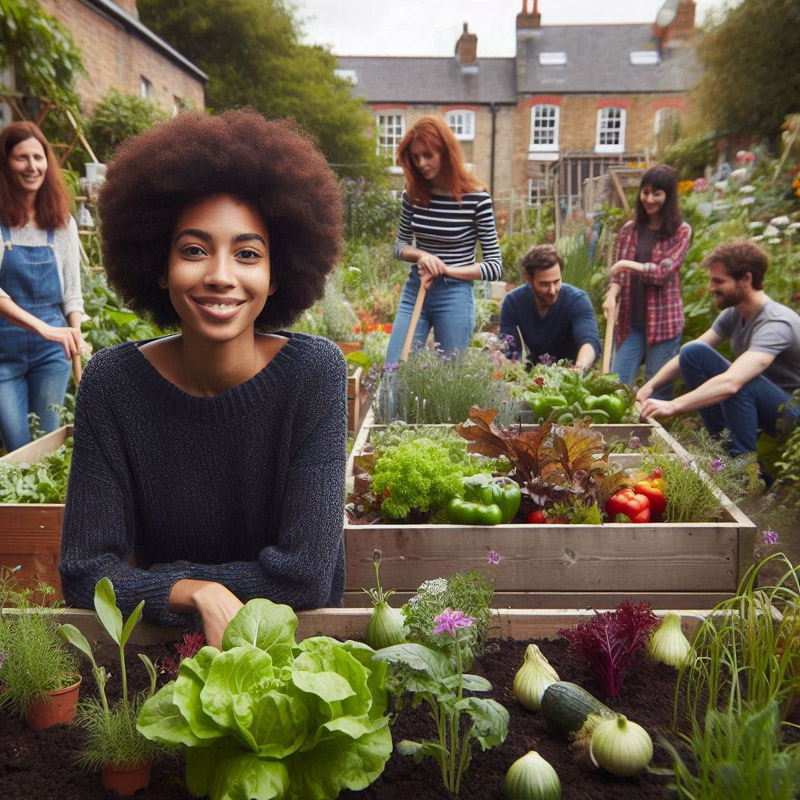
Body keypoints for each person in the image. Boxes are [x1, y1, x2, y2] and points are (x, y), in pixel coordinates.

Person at [59, 110, 347, 648]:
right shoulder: (113, 385)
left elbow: (306, 576)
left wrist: (165, 584)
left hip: (300, 655)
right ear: (160, 266)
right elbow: (83, 571)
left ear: (275, 273)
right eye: (194, 250)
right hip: (164, 656)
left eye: (247, 254)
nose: (220, 274)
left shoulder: (313, 374)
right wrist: (194, 593)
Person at [638, 240, 800, 455]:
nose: (711, 288)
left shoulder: (776, 323)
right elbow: (690, 355)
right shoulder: (735, 314)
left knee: (740, 382)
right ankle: (724, 451)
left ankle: (744, 466)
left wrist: (674, 405)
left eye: (718, 281)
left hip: (792, 415)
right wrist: (650, 386)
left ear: (746, 279)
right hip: (768, 406)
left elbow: (732, 383)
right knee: (692, 352)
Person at [383, 115, 502, 364]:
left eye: (428, 155)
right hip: (416, 289)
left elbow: (494, 266)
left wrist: (445, 269)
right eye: (416, 157)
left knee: (448, 378)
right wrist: (422, 255)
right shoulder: (413, 195)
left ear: (446, 152)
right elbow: (399, 246)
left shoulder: (476, 199)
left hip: (455, 295)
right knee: (395, 367)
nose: (422, 163)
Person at [0, 122, 83, 452]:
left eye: (39, 157)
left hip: (52, 354)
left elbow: (72, 294)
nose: (32, 166)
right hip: (3, 352)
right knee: (18, 447)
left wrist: (73, 336)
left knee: (49, 447)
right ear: (6, 163)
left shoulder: (61, 221)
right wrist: (46, 329)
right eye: (22, 158)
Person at [602, 164, 692, 398]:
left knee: (657, 388)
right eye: (645, 192)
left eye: (657, 193)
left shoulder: (680, 232)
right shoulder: (630, 230)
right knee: (617, 385)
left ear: (668, 196)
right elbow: (618, 276)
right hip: (631, 322)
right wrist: (611, 295)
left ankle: (654, 434)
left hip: (664, 322)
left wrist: (627, 264)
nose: (649, 198)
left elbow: (664, 272)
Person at [500, 244, 600, 369]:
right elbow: (510, 350)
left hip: (572, 376)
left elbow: (589, 341)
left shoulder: (577, 300)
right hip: (535, 374)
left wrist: (580, 367)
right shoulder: (513, 303)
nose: (552, 290)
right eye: (544, 284)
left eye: (557, 281)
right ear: (528, 278)